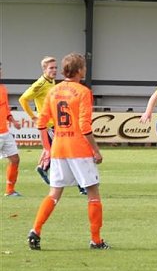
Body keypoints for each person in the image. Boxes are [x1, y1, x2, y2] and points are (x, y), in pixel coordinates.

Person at [27, 53, 109, 250]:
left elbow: (41, 122)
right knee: (93, 192)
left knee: (54, 193)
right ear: (80, 70)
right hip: (78, 148)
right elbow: (85, 126)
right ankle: (96, 240)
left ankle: (35, 230)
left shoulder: (53, 91)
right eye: (84, 67)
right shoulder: (83, 91)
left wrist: (47, 148)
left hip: (59, 147)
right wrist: (96, 150)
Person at [18, 56, 57, 185]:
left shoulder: (51, 81)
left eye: (56, 67)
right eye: (51, 68)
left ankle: (42, 167)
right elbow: (23, 99)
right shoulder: (40, 84)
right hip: (47, 123)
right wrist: (33, 117)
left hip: (54, 122)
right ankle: (43, 168)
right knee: (55, 148)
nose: (54, 70)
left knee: (52, 147)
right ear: (44, 69)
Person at [1, 63, 23, 197]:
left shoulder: (3, 88)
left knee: (15, 159)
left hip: (5, 132)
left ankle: (10, 190)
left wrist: (13, 121)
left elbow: (5, 109)